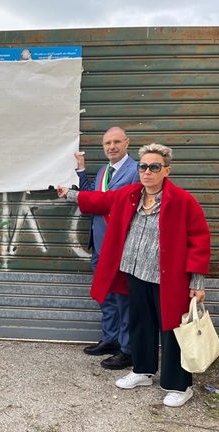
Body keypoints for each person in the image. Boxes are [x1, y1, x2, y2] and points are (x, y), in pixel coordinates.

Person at [57, 143, 211, 407]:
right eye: (143, 166)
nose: (147, 172)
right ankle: (142, 371)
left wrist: (197, 282)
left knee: (172, 330)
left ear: (166, 170)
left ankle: (179, 386)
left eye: (154, 167)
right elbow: (100, 200)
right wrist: (70, 194)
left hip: (169, 279)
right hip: (135, 273)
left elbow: (199, 240)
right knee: (140, 324)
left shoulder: (183, 201)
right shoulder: (131, 194)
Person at [75, 127, 139, 370]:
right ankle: (111, 339)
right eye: (107, 143)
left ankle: (128, 349)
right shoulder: (104, 171)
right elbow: (91, 197)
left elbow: (124, 205)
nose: (111, 146)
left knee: (123, 298)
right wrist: (81, 171)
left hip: (121, 246)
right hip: (100, 245)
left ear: (126, 143)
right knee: (106, 295)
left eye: (116, 142)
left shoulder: (135, 171)